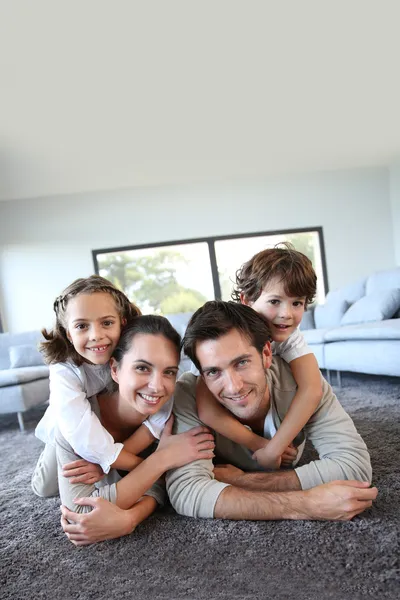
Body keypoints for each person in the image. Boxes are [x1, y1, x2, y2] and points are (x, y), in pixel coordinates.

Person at [61, 302, 376, 543]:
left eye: (242, 363)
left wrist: (239, 480)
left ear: (267, 353)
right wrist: (306, 504)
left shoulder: (304, 384)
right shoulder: (186, 393)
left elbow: (354, 467)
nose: (234, 386)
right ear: (199, 373)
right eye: (213, 371)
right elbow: (185, 493)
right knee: (53, 471)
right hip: (91, 443)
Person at [51, 315, 216, 536]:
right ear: (115, 369)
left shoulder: (167, 416)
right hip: (57, 441)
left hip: (123, 447)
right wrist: (161, 460)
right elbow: (80, 513)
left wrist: (131, 517)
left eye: (169, 372)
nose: (157, 387)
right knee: (44, 485)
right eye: (142, 368)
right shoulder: (77, 424)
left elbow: (162, 484)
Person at [195, 243, 323, 469]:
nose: (286, 315)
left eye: (297, 303)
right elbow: (206, 409)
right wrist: (260, 444)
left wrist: (276, 448)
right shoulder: (228, 335)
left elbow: (311, 389)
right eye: (275, 301)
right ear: (246, 300)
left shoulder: (290, 337)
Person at [32, 275, 143, 498]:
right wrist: (141, 465)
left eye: (107, 323)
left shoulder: (133, 349)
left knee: (102, 466)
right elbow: (81, 431)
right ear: (68, 334)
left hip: (110, 423)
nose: (96, 336)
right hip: (69, 425)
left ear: (122, 322)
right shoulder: (64, 369)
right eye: (82, 326)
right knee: (46, 488)